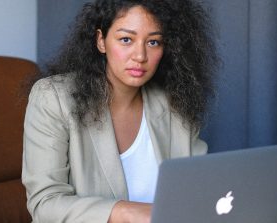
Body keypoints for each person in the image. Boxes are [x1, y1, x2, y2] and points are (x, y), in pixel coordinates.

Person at [22, 0, 218, 222]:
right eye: (126, 39)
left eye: (153, 42)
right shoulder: (53, 98)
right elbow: (44, 204)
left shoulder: (173, 103)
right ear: (101, 41)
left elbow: (200, 186)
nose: (140, 56)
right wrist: (126, 212)